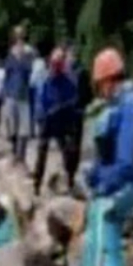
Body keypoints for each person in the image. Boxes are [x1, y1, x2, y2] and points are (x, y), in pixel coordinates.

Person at [78, 47, 133, 266]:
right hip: (118, 178)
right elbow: (108, 156)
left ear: (109, 80)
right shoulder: (120, 104)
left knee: (108, 222)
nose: (99, 92)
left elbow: (126, 163)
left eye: (100, 85)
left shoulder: (130, 107)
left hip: (127, 183)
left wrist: (103, 182)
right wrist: (94, 174)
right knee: (95, 214)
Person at [33, 47, 82, 196]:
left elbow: (74, 98)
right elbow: (40, 101)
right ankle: (37, 183)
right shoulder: (45, 79)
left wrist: (66, 109)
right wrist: (42, 116)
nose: (56, 67)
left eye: (60, 63)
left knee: (68, 150)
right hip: (48, 118)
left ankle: (70, 180)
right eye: (55, 63)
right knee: (42, 151)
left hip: (62, 118)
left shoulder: (68, 80)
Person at [3, 25, 34, 163]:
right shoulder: (11, 53)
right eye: (17, 34)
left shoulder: (29, 52)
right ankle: (14, 152)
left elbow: (29, 70)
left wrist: (23, 56)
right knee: (12, 124)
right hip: (11, 93)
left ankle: (21, 155)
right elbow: (7, 74)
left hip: (24, 94)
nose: (19, 37)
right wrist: (5, 93)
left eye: (21, 34)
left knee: (24, 127)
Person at [29, 51, 49, 138]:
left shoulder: (33, 63)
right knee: (40, 109)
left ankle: (31, 131)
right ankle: (40, 130)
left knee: (30, 111)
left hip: (32, 87)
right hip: (40, 87)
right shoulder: (43, 63)